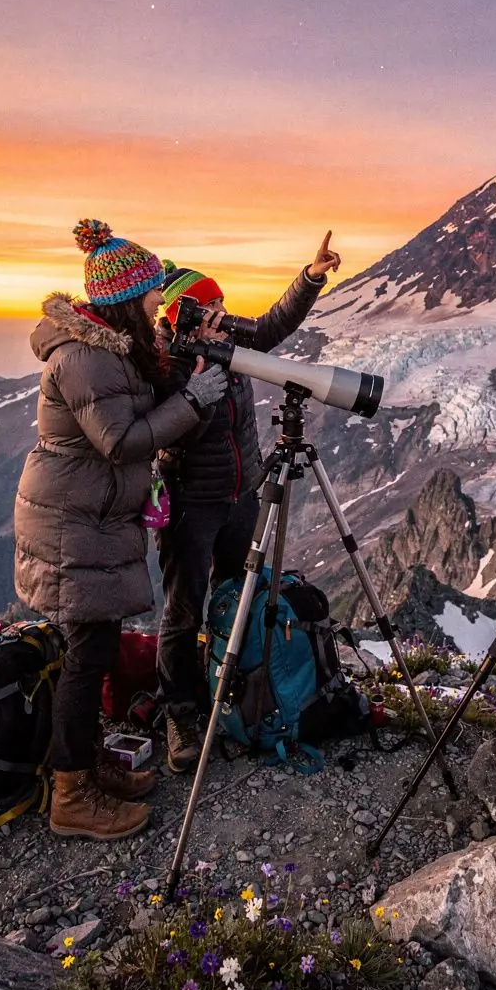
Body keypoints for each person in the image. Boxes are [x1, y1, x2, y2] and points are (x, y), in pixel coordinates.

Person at [14, 219, 227, 841]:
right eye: (152, 293)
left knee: (97, 648)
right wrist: (193, 402)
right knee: (86, 657)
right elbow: (120, 441)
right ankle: (71, 795)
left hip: (86, 517)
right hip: (71, 523)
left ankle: (83, 767)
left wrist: (182, 375)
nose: (160, 301)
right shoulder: (86, 358)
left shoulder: (111, 348)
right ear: (126, 299)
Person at [154, 232, 341, 772]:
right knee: (183, 609)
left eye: (220, 304)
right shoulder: (169, 364)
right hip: (193, 501)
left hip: (242, 494)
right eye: (209, 308)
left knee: (237, 596)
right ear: (181, 318)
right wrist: (200, 375)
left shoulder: (231, 343)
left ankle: (235, 690)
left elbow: (271, 325)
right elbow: (181, 432)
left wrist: (310, 277)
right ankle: (181, 713)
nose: (221, 315)